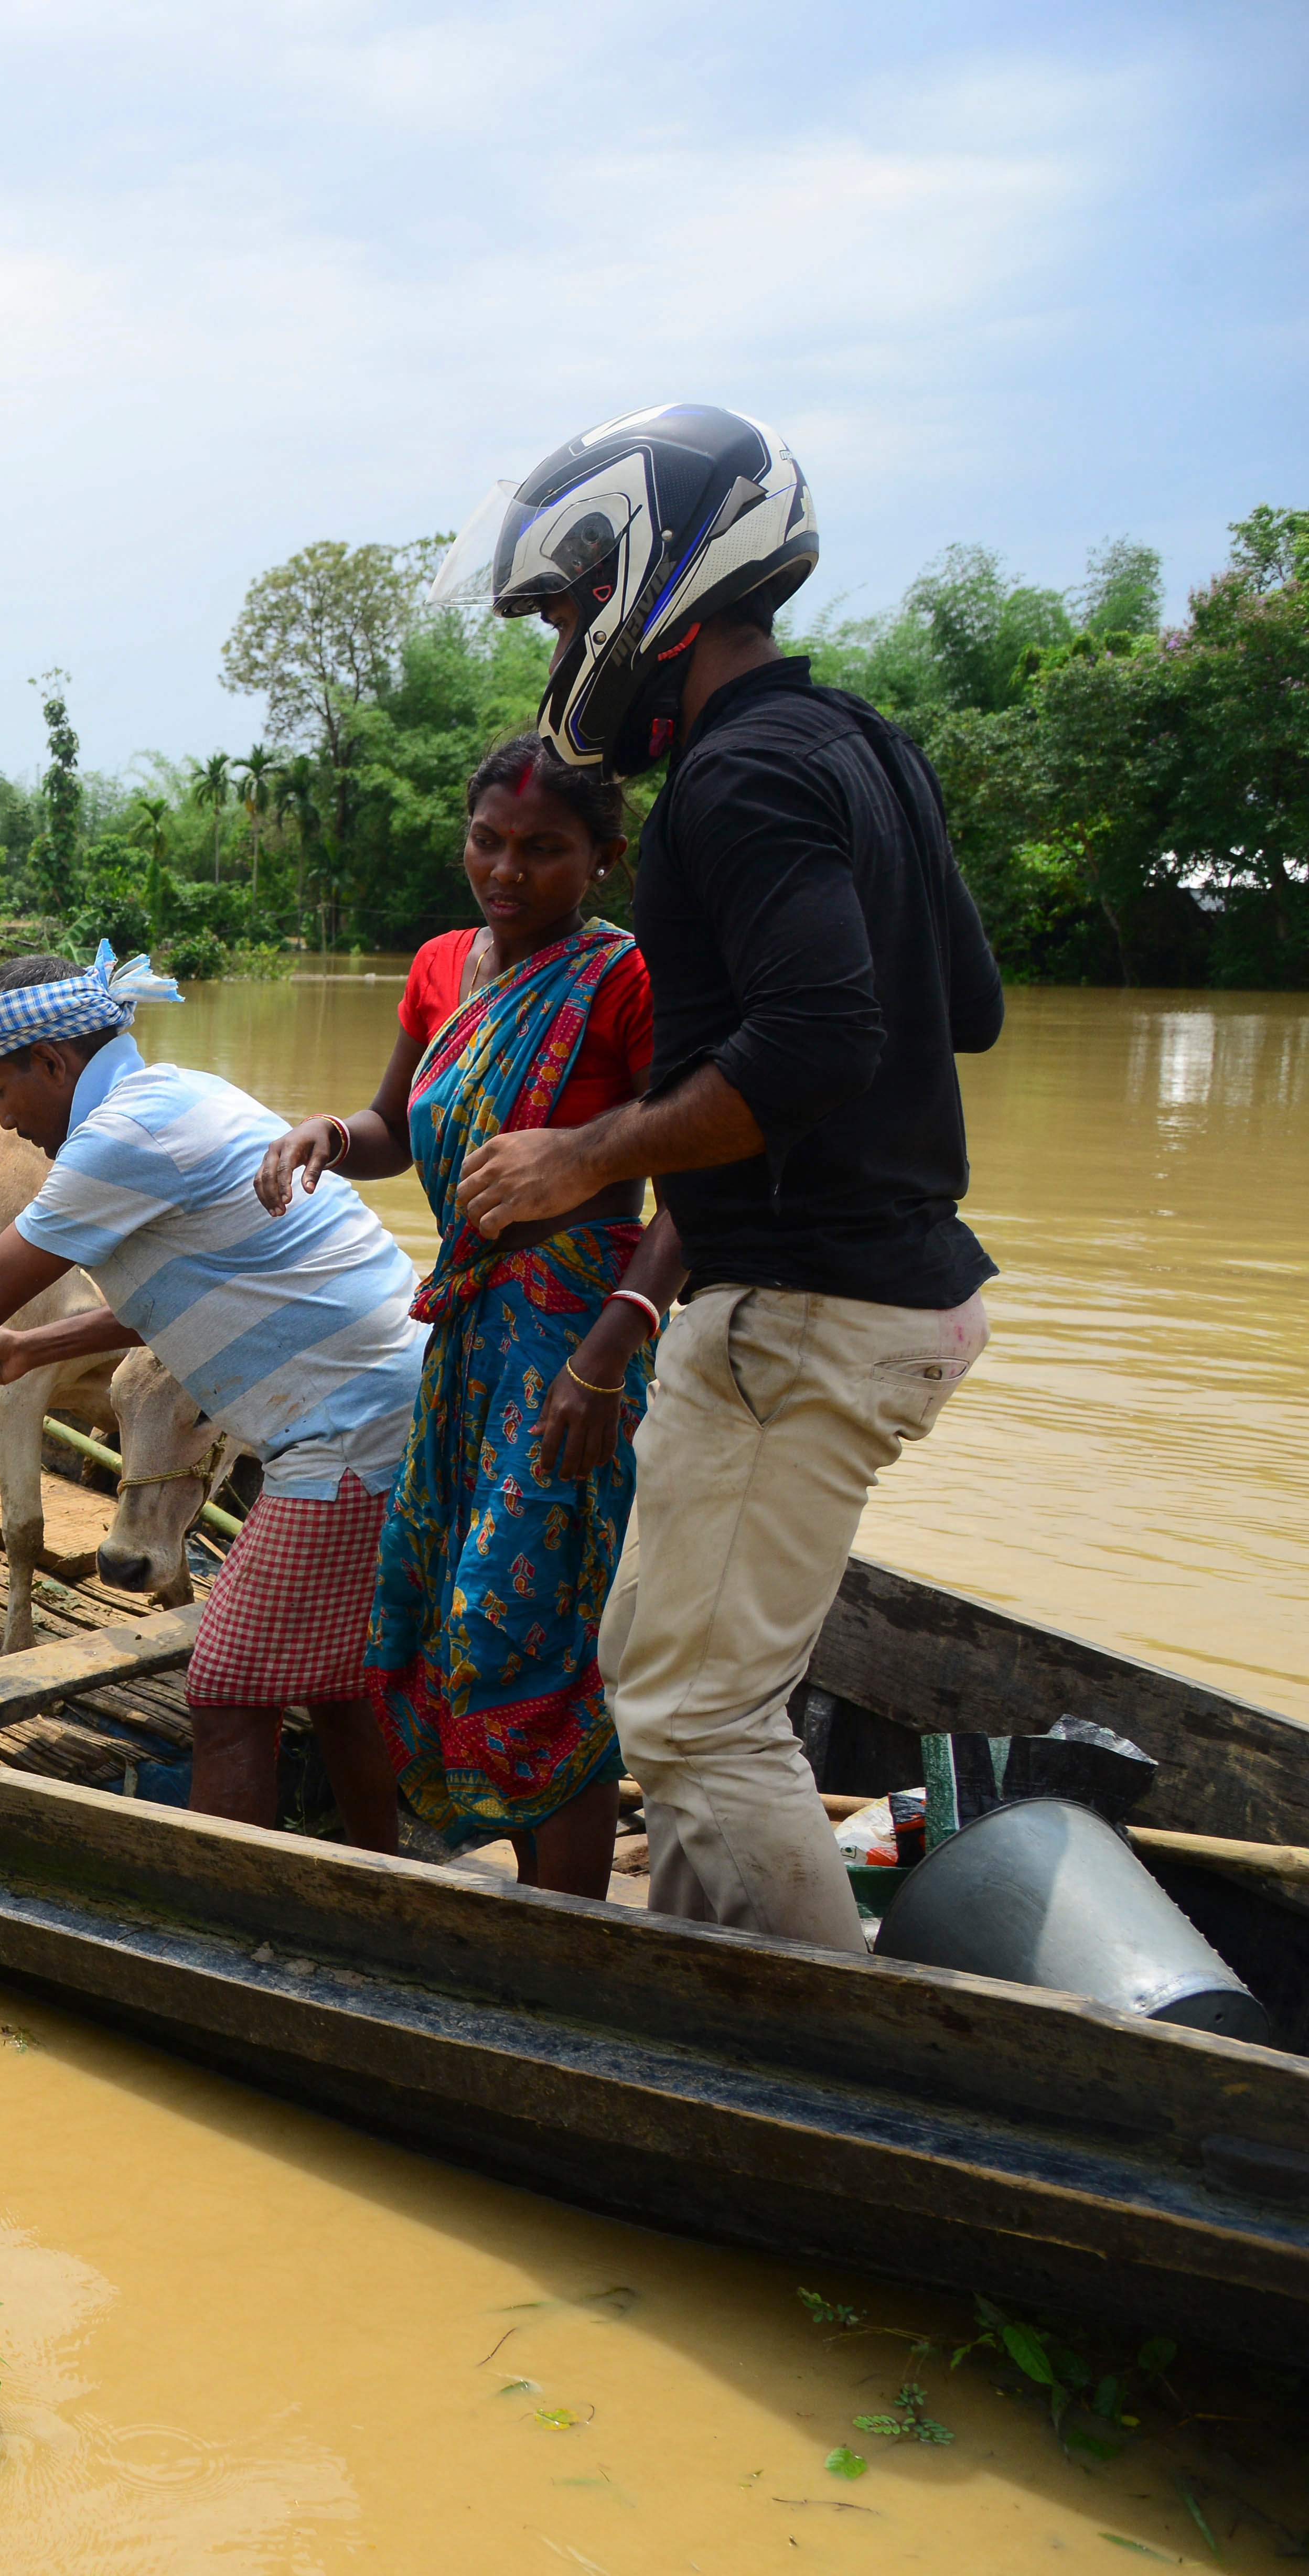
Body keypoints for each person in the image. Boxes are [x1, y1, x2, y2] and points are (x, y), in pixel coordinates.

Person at [432, 404, 1002, 1951]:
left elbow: (819, 1036)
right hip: (875, 1285)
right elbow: (966, 1009)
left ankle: (828, 2084)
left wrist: (583, 1150)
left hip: (806, 1307)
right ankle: (694, 1995)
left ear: (643, 582)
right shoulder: (861, 747)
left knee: (688, 1719)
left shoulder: (736, 778)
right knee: (665, 1673)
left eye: (561, 604)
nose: (558, 642)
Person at [0, 947, 428, 1844]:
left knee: (223, 1683)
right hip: (391, 1393)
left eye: (0, 1089)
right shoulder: (179, 1091)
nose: (3, 1119)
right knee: (332, 1683)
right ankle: (375, 1873)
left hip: (345, 1428)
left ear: (53, 1062)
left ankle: (222, 1928)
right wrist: (39, 1344)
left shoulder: (116, 1141)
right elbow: (184, 1295)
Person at [262, 739, 685, 1898]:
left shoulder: (628, 982)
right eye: (487, 841)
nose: (506, 870)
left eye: (543, 849)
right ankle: (532, 1902)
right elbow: (398, 1124)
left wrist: (612, 1347)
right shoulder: (445, 964)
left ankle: (564, 1926)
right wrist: (332, 1138)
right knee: (443, 1612)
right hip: (462, 1339)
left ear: (600, 860)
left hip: (569, 1337)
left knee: (527, 1629)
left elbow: (697, 1175)